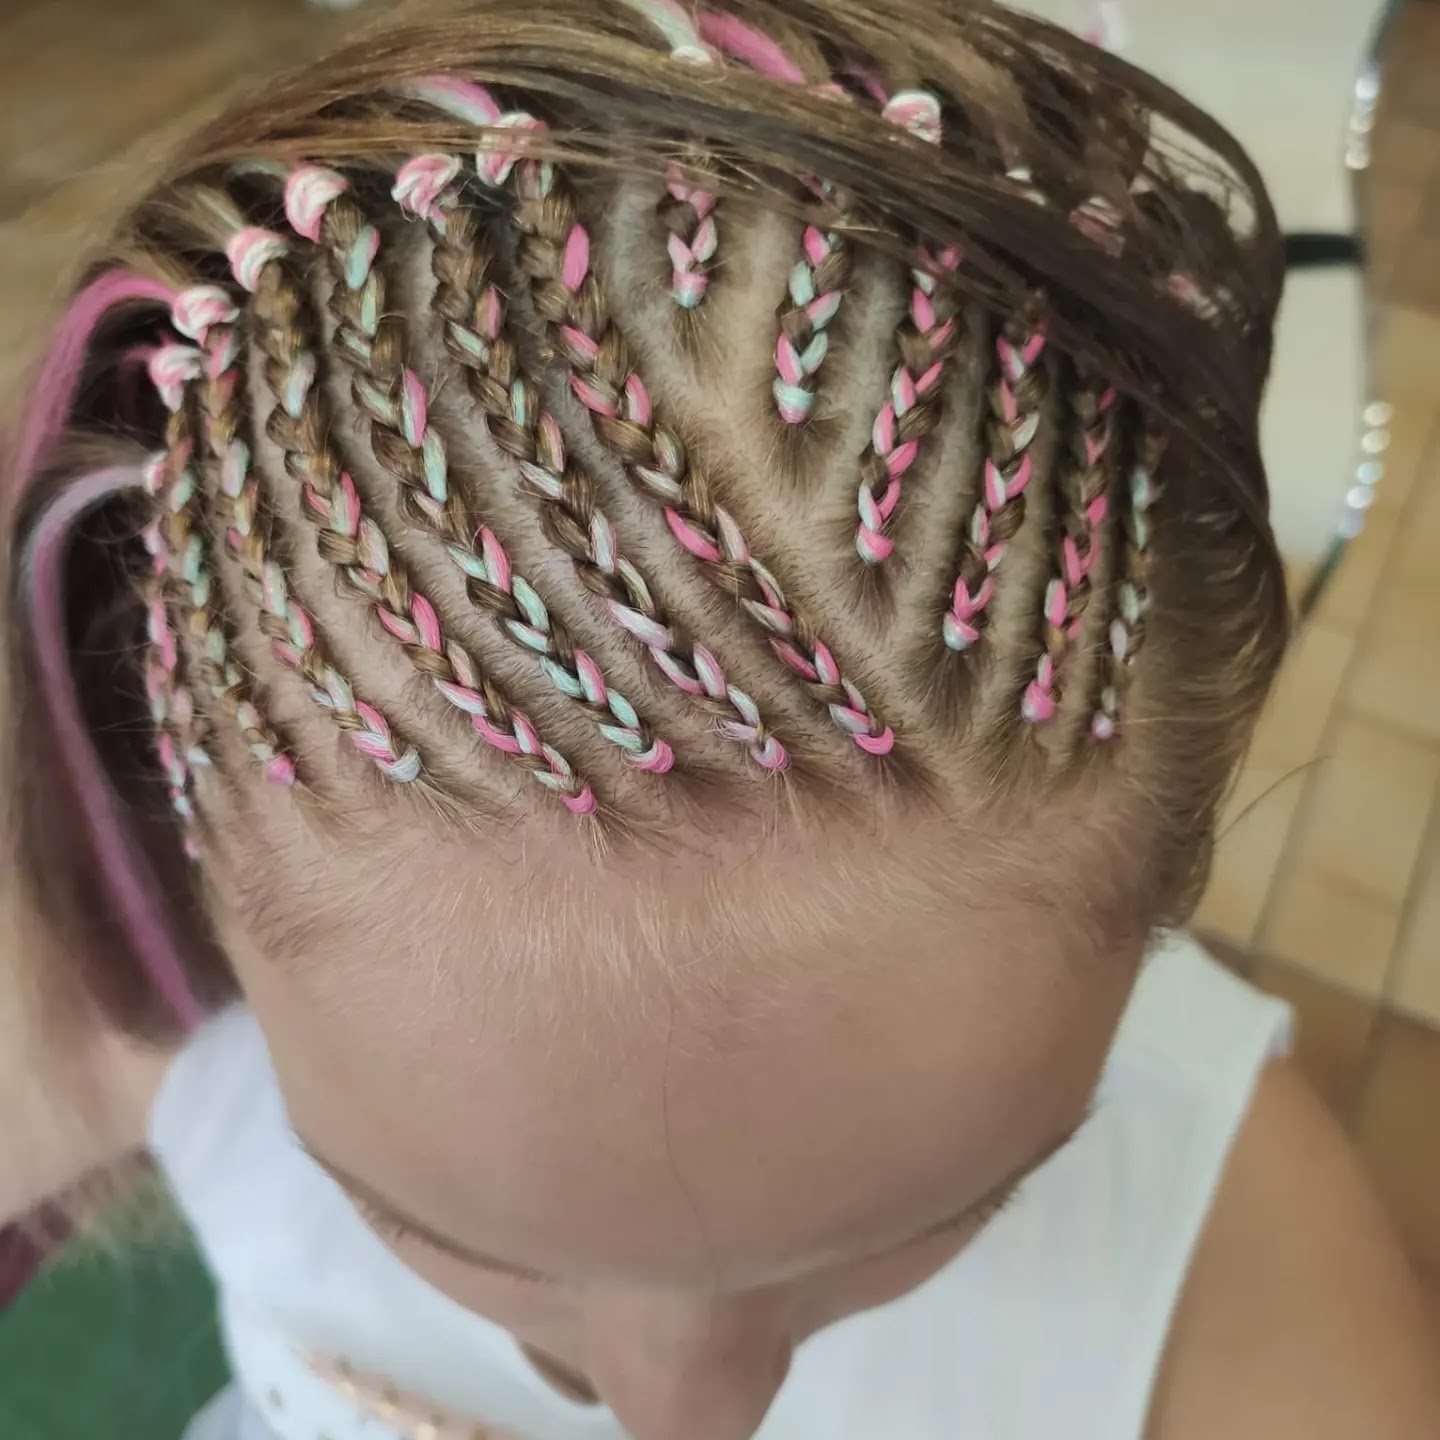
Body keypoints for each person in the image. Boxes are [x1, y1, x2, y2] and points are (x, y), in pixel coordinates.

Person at [3, 3, 1438, 1437]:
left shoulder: (1280, 1352)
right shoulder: (137, 1033)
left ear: (1162, 904)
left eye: (957, 1210)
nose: (687, 1417)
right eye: (425, 1228)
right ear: (193, 868)